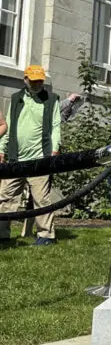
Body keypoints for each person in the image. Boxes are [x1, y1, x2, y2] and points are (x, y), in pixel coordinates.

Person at [0, 65, 61, 246]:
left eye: (40, 80)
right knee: (5, 197)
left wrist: (54, 150)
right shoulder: (16, 98)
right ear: (25, 79)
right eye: (33, 80)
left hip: (40, 158)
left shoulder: (51, 99)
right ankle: (1, 234)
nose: (37, 83)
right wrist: (2, 149)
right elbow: (9, 126)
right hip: (15, 158)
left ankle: (46, 236)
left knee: (41, 199)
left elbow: (56, 127)